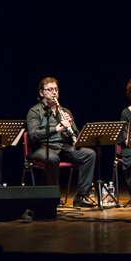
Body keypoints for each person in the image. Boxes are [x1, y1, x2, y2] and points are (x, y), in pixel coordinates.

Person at [25, 77, 97, 208]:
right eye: (50, 90)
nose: (54, 93)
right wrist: (56, 129)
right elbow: (34, 135)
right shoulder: (35, 111)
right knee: (51, 158)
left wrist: (71, 125)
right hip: (43, 147)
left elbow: (76, 135)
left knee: (89, 154)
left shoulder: (65, 111)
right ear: (41, 93)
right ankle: (54, 196)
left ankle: (81, 197)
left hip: (64, 147)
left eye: (56, 90)